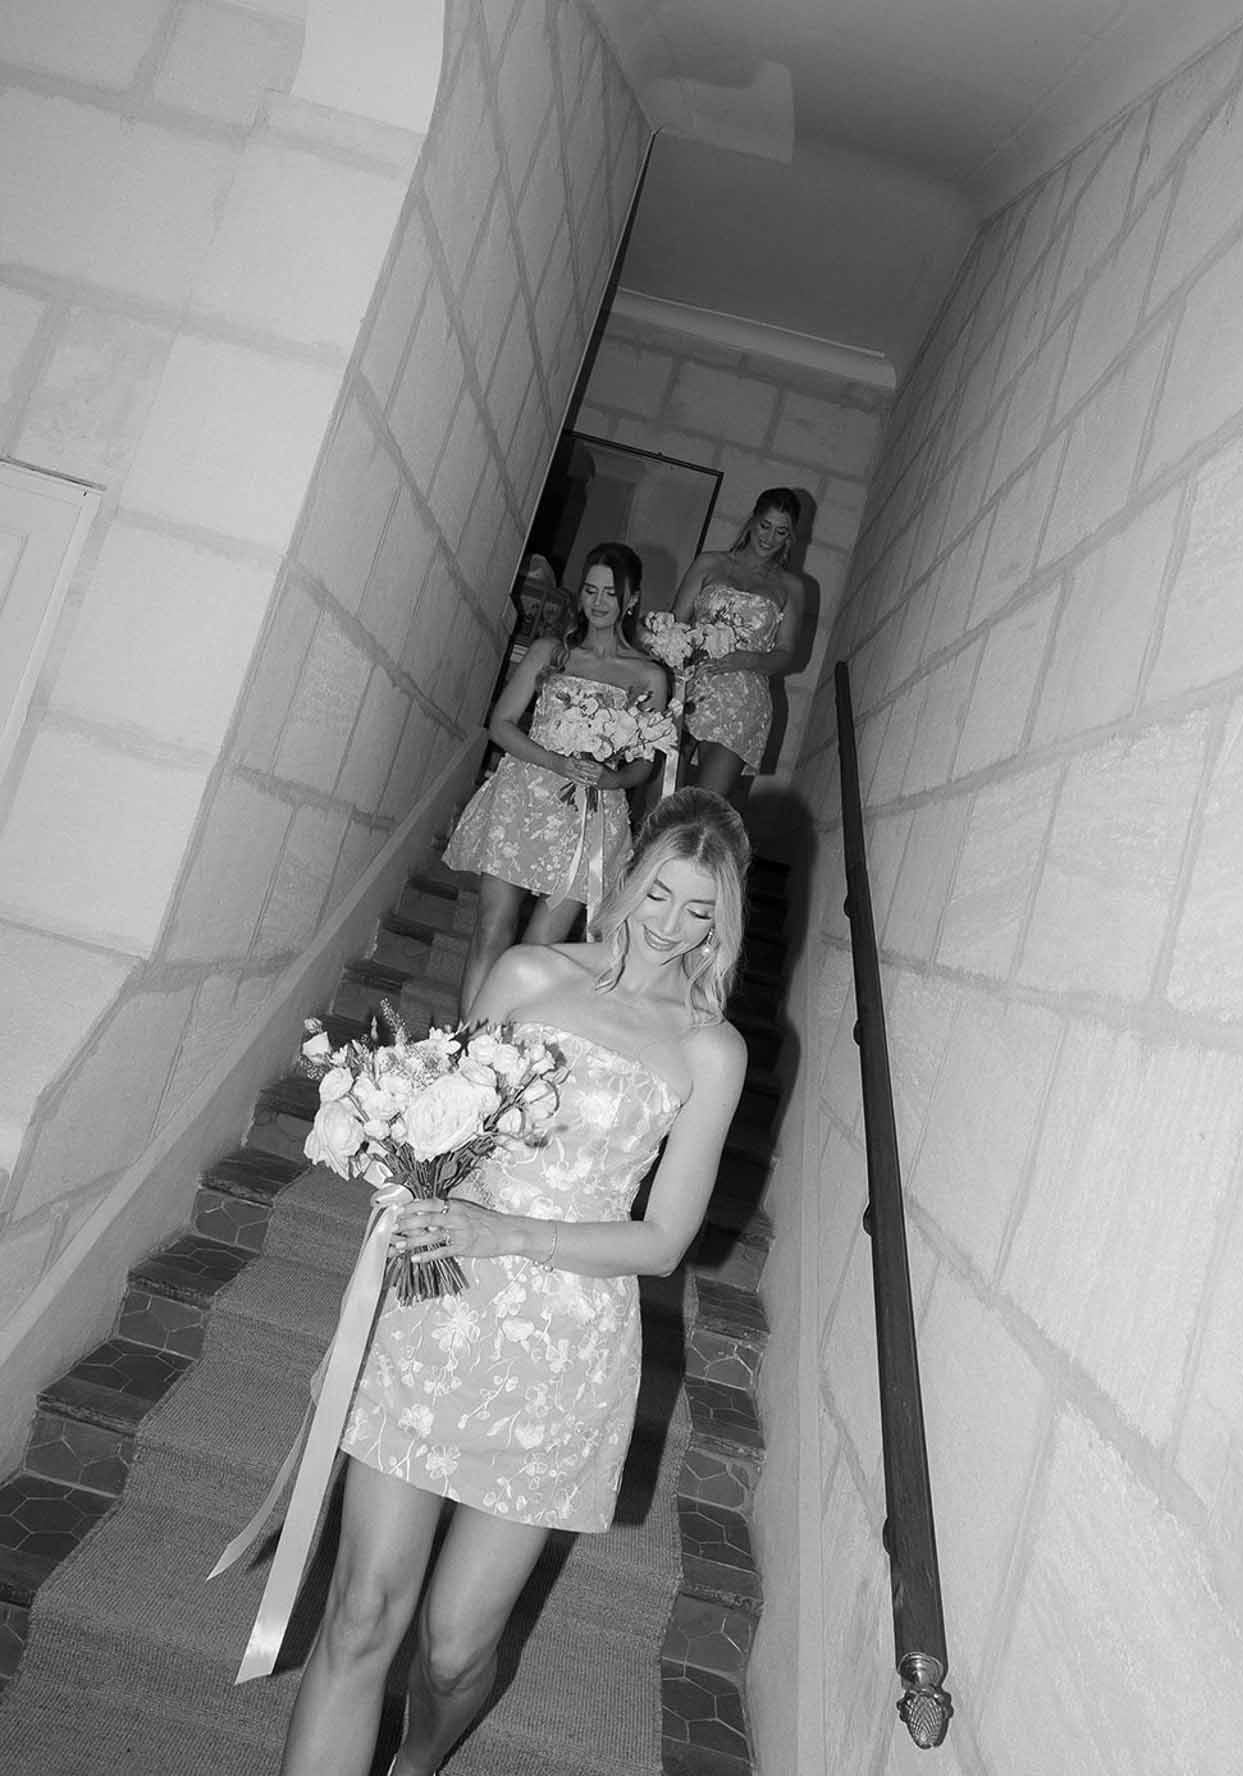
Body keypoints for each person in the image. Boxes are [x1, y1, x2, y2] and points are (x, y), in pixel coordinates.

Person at [277, 788, 752, 1776]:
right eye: (657, 892)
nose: (666, 925)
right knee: (363, 1611)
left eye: (696, 910)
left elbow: (663, 1239)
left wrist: (509, 1229)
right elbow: (441, 1128)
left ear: (721, 923)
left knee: (455, 1647)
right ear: (628, 879)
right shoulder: (528, 970)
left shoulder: (711, 1047)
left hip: (564, 1351)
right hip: (438, 1307)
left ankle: (420, 1753)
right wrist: (400, 1167)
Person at [445, 543, 668, 1017]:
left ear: (632, 599)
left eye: (611, 592)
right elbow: (502, 723)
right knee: (491, 927)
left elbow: (646, 765)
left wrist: (611, 778)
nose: (599, 601)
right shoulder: (552, 652)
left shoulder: (649, 674)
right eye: (590, 589)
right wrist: (555, 762)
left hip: (590, 818)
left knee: (536, 952)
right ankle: (465, 1046)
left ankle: (498, 1057)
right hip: (523, 796)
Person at [671, 487, 806, 799]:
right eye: (765, 526)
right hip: (690, 684)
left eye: (780, 531)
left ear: (790, 537)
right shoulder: (709, 563)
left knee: (704, 805)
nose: (769, 538)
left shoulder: (791, 586)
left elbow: (787, 654)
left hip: (743, 697)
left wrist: (747, 660)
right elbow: (674, 625)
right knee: (663, 795)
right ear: (752, 520)